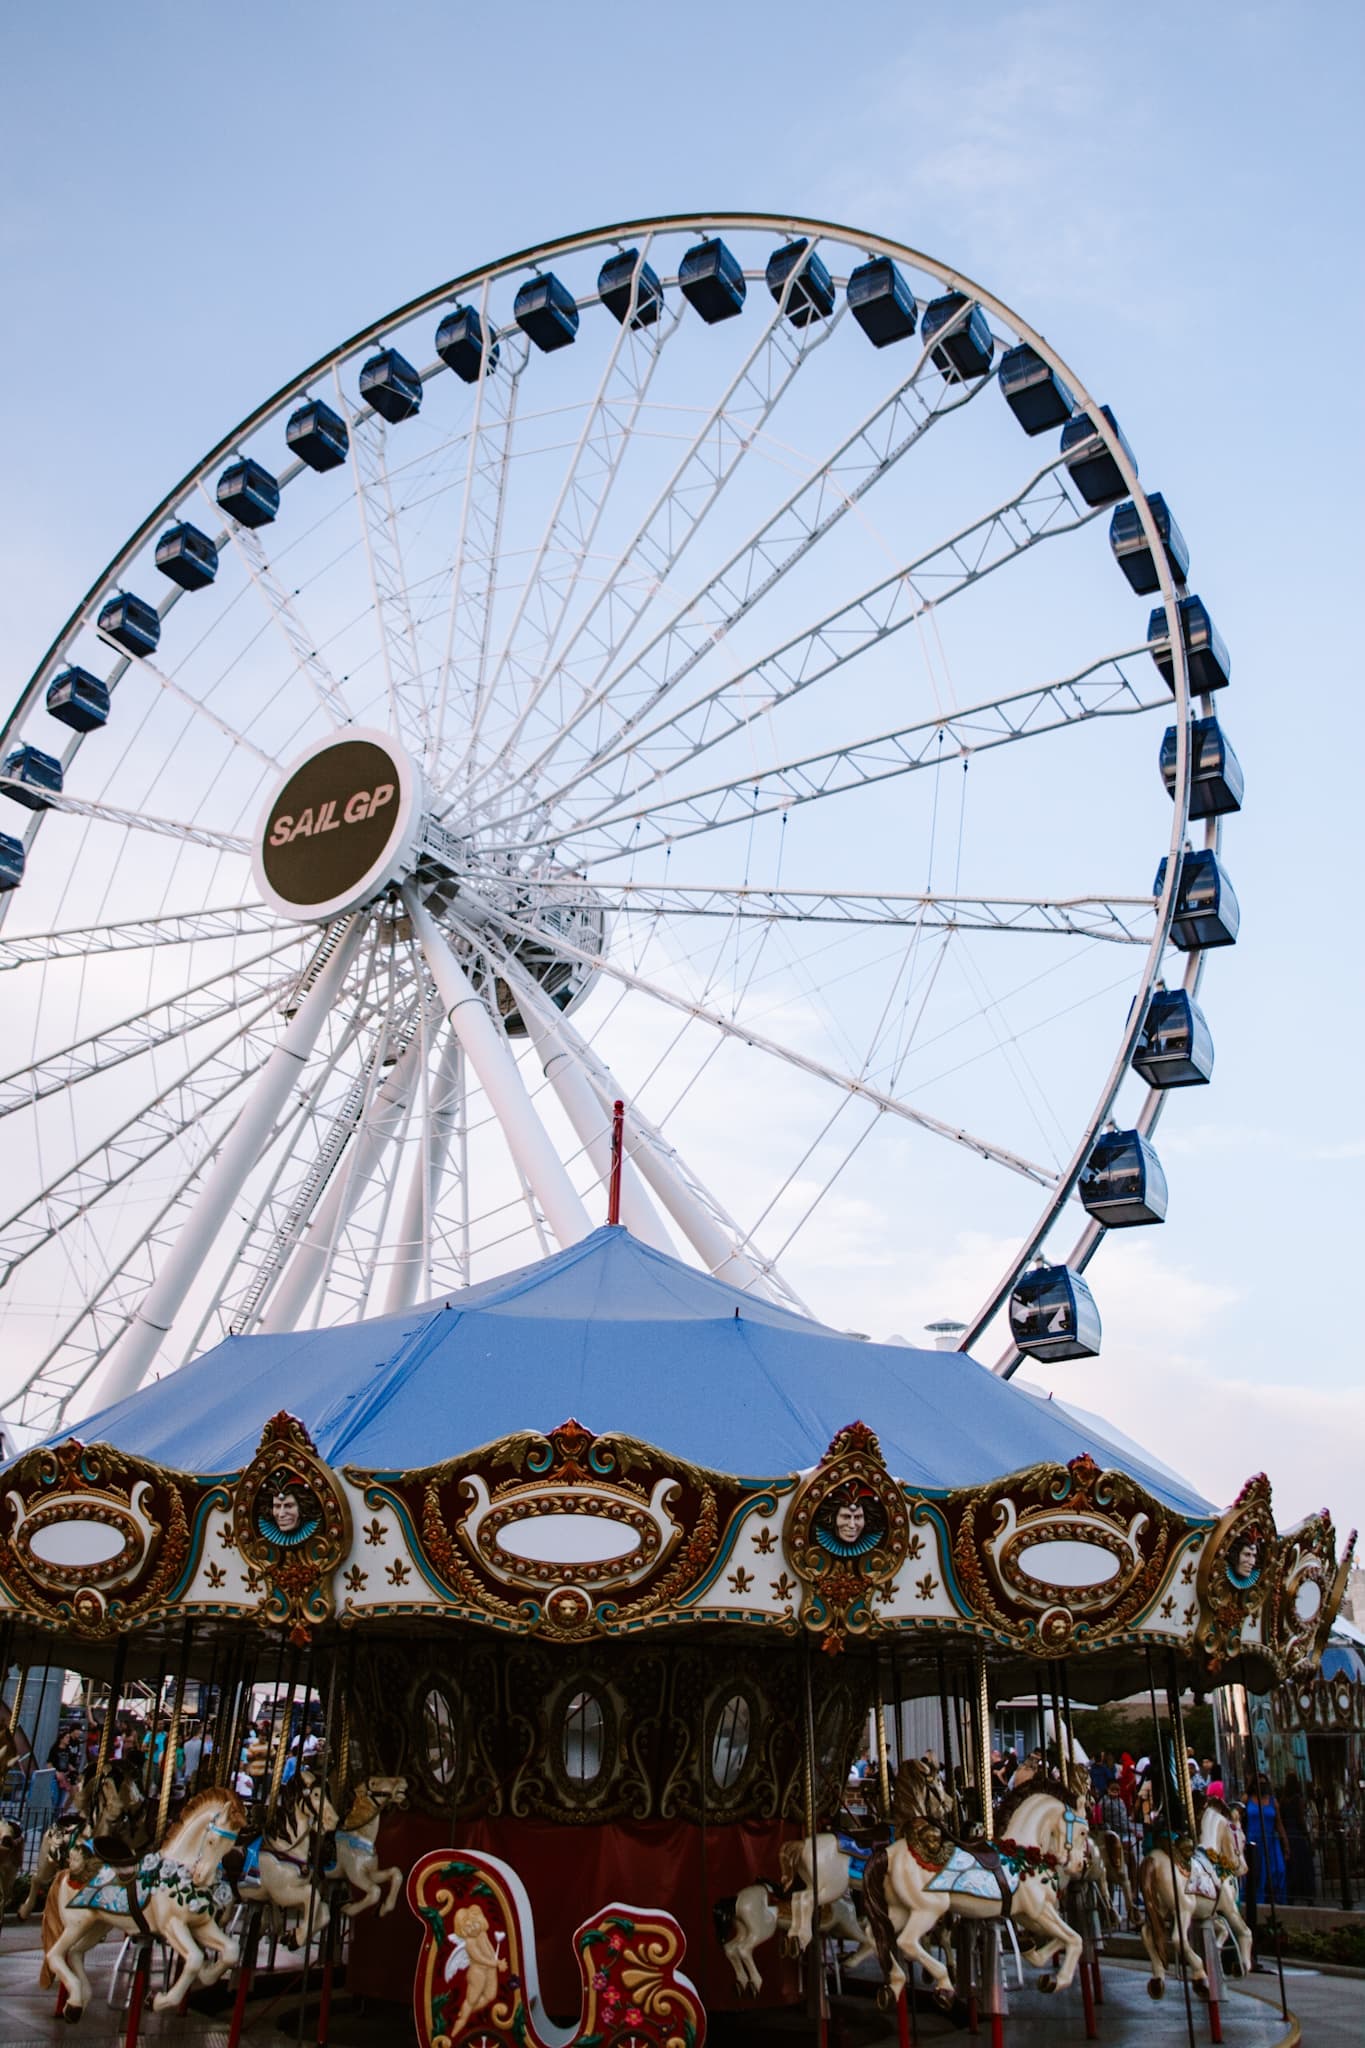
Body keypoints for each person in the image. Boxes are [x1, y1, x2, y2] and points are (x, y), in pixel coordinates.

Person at [1244, 1773, 1288, 1904]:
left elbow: (1279, 1824)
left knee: (1279, 1870)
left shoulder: (1273, 1802)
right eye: (1259, 1783)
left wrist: (1286, 1844)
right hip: (1253, 1841)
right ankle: (1257, 1901)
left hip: (1270, 1841)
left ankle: (1278, 1900)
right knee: (1257, 1873)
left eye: (1264, 1783)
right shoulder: (1247, 1799)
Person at [1279, 1773, 1315, 1901]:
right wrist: (1307, 1836)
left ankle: (1292, 1894)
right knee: (1303, 1865)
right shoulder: (1297, 1799)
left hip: (1288, 1833)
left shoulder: (1283, 1801)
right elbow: (1300, 1820)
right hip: (1297, 1835)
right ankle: (1307, 1894)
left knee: (1292, 1866)